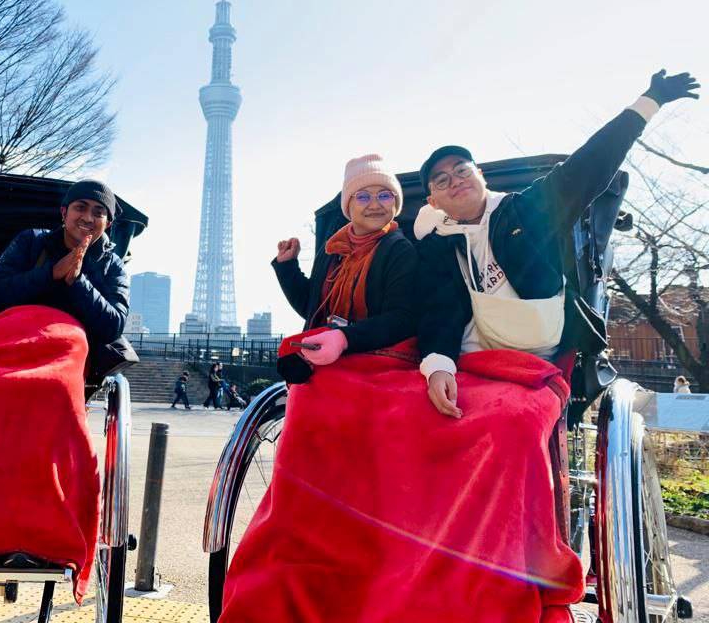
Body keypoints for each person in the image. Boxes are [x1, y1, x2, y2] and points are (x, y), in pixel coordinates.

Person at [414, 70, 698, 418]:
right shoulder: (438, 245)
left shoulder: (524, 211)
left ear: (480, 176)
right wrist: (439, 365)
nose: (455, 181)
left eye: (462, 170)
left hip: (534, 355)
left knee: (509, 421)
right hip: (472, 355)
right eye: (442, 180)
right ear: (433, 200)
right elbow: (440, 309)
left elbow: (587, 166)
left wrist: (649, 102)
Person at [272, 153, 418, 371]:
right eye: (363, 197)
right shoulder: (333, 248)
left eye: (385, 195)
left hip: (375, 364)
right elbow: (312, 307)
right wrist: (287, 267)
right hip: (326, 358)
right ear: (348, 206)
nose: (375, 204)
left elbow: (401, 318)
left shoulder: (398, 249)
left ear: (396, 203)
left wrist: (343, 338)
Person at [0, 179, 129, 347]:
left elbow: (114, 327)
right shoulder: (31, 241)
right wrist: (51, 273)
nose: (88, 218)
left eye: (98, 213)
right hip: (12, 338)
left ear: (108, 224)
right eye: (80, 207)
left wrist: (78, 281)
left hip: (70, 351)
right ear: (64, 212)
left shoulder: (113, 265)